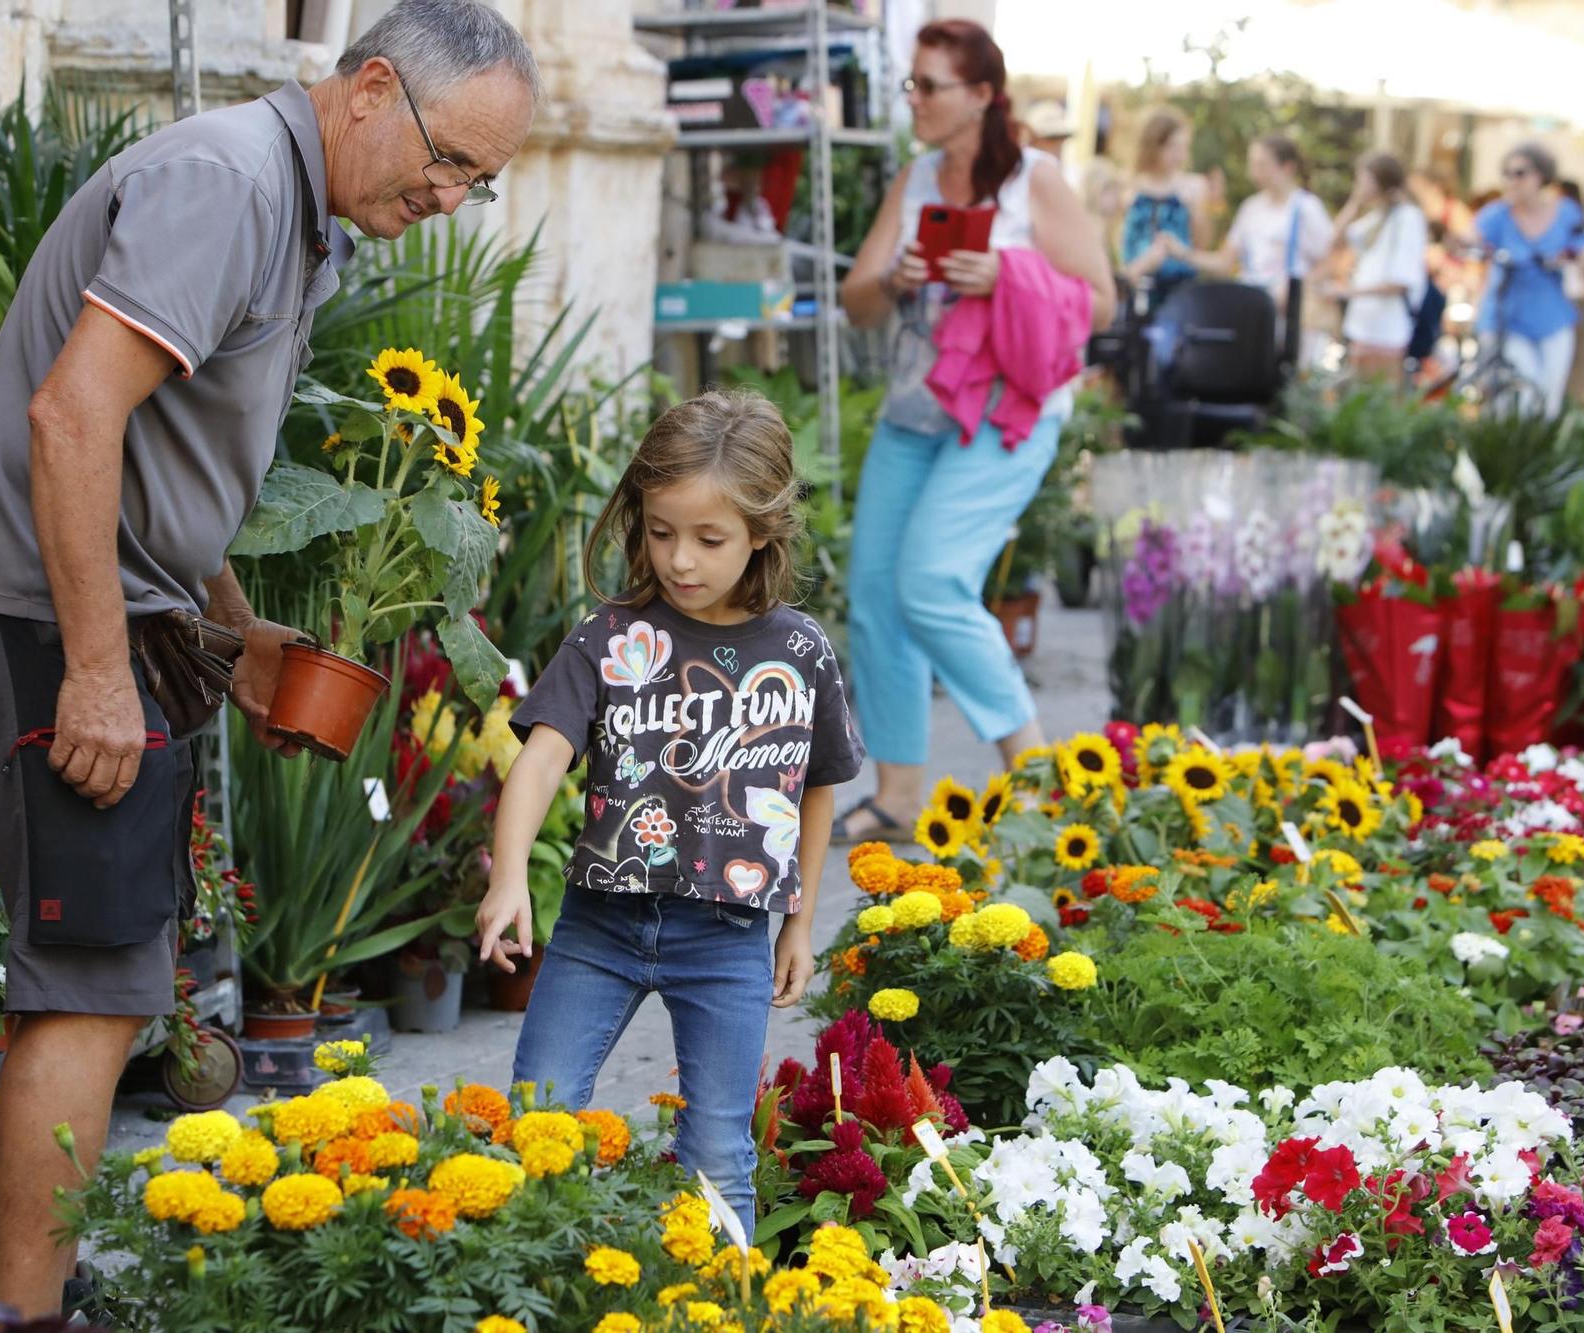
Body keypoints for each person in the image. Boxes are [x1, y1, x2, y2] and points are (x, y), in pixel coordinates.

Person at [0, 0, 538, 1316]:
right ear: (371, 88)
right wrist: (92, 672)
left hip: (110, 612)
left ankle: (38, 1301)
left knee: (113, 979)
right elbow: (73, 416)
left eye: (480, 180)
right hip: (41, 616)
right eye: (453, 158)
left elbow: (159, 457)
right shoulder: (229, 187)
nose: (453, 193)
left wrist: (234, 633)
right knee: (84, 989)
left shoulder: (295, 215)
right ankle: (15, 1315)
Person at [474, 390, 863, 1237]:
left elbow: (816, 786)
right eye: (660, 531)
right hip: (597, 929)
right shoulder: (609, 636)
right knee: (535, 1121)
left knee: (719, 1149)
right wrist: (510, 876)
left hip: (728, 941)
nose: (681, 559)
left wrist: (798, 926)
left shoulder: (799, 651)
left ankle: (722, 1306)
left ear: (762, 530)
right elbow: (540, 757)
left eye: (708, 538)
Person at [830, 19, 1114, 842]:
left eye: (929, 85)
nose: (912, 98)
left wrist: (1007, 275)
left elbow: (1102, 301)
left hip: (1006, 417)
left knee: (930, 582)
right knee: (879, 594)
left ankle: (1038, 774)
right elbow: (857, 299)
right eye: (911, 83)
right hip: (915, 414)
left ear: (982, 95)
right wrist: (896, 276)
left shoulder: (1035, 182)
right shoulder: (916, 179)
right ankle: (897, 793)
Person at [1470, 141, 1584, 416]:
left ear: (1540, 176)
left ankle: (1542, 456)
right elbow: (1466, 240)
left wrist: (1566, 259)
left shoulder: (1566, 211)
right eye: (1508, 174)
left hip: (1551, 314)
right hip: (1508, 316)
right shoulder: (1498, 214)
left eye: (1520, 173)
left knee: (1550, 396)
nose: (1513, 181)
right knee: (1524, 388)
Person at [1193, 133, 1334, 315]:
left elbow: (1329, 263)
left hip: (1291, 314)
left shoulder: (1307, 208)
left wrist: (1295, 288)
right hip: (1254, 307)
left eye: (1262, 165)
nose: (1254, 172)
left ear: (1287, 167)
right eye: (1252, 164)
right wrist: (1181, 253)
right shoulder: (1251, 207)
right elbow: (1224, 261)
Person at [1327, 151, 1430, 378]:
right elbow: (1336, 240)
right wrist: (1355, 202)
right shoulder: (1379, 218)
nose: (1359, 185)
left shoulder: (1408, 218)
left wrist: (1349, 292)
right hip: (1363, 326)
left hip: (1388, 329)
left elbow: (1401, 281)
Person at [1119, 108, 1206, 312]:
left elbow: (1201, 246)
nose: (1180, 155)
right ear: (1153, 146)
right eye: (1172, 147)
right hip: (1137, 283)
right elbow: (1124, 243)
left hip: (1179, 289)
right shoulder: (1129, 187)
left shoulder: (1193, 187)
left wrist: (1195, 211)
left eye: (1184, 147)